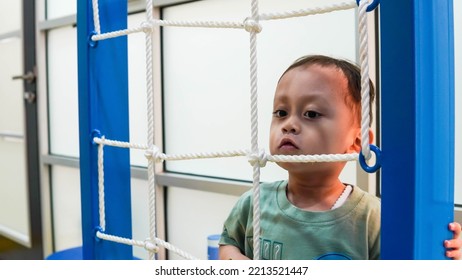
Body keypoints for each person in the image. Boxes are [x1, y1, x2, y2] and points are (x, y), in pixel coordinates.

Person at [218, 54, 461, 260]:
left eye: (311, 114)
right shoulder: (254, 202)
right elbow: (228, 244)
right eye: (281, 112)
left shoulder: (372, 217)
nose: (289, 124)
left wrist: (449, 255)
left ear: (357, 141)